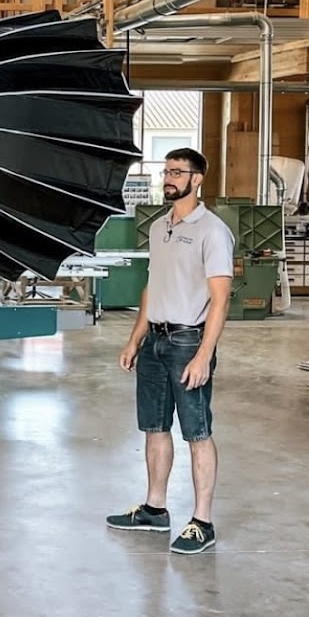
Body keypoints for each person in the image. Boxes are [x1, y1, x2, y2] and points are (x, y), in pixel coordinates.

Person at [107, 148, 234, 555]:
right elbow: (151, 287)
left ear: (198, 180)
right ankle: (155, 510)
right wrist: (134, 338)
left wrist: (203, 355)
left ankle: (202, 522)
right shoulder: (160, 226)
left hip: (187, 342)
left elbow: (221, 299)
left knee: (197, 432)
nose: (168, 178)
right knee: (155, 428)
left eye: (177, 172)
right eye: (167, 171)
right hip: (155, 343)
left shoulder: (212, 231)